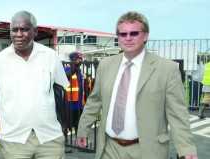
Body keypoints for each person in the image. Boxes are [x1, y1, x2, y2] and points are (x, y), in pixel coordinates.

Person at [76, 11, 198, 159]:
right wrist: (83, 129)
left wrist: (187, 149)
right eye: (123, 34)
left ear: (145, 36)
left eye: (134, 33)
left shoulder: (167, 69)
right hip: (109, 148)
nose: (128, 38)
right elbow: (94, 101)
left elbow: (178, 114)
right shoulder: (106, 65)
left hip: (146, 150)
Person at [0, 10, 69, 159]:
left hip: (50, 139)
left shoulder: (50, 56)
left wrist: (63, 127)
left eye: (24, 29)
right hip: (13, 143)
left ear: (35, 31)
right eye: (14, 30)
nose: (19, 34)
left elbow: (62, 94)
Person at [64, 52, 85, 136]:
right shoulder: (67, 68)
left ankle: (79, 143)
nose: (81, 60)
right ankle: (64, 144)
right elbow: (67, 76)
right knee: (67, 124)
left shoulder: (79, 70)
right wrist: (74, 66)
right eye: (79, 58)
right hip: (70, 103)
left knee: (79, 124)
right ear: (74, 60)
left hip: (79, 103)